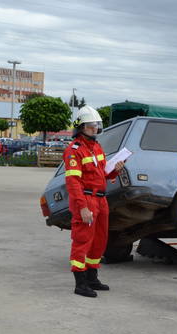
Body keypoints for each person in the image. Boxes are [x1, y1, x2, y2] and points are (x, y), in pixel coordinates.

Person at [63, 105, 124, 297]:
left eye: (96, 125)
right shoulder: (74, 151)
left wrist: (116, 169)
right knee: (82, 240)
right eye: (90, 126)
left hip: (100, 199)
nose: (95, 128)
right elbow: (73, 182)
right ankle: (80, 283)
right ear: (80, 127)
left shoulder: (96, 147)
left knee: (99, 240)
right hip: (86, 200)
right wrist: (82, 207)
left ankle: (92, 277)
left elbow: (103, 174)